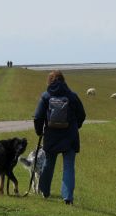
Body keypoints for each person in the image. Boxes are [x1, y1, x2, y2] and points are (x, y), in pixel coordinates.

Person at [33, 70, 87, 204]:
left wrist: (40, 132)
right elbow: (82, 115)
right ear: (64, 80)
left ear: (49, 81)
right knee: (68, 167)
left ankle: (45, 192)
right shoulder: (72, 96)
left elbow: (38, 117)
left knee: (48, 164)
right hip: (70, 137)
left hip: (51, 137)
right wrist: (75, 126)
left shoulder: (45, 96)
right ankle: (68, 197)